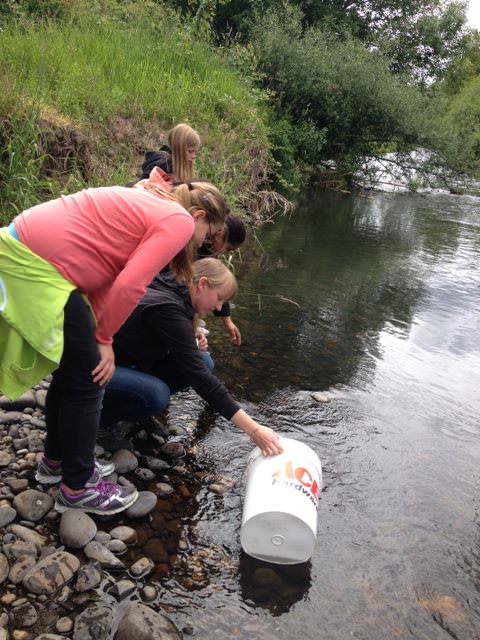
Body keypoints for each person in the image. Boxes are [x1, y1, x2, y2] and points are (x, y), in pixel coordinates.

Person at [0, 175, 229, 515]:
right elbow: (129, 285)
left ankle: (56, 462)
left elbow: (106, 272)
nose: (201, 244)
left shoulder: (155, 200)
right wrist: (104, 339)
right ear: (197, 216)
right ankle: (77, 488)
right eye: (207, 235)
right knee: (92, 377)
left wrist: (97, 328)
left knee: (74, 372)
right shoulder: (178, 220)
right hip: (36, 264)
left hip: (29, 252)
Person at [100, 258, 282, 457]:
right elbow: (200, 378)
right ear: (202, 284)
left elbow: (159, 338)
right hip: (96, 369)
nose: (220, 308)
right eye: (219, 298)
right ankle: (98, 423)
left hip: (127, 360)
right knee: (157, 394)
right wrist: (253, 430)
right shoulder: (167, 307)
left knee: (204, 360)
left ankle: (133, 411)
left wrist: (187, 338)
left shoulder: (174, 286)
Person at [198, 214, 247, 346]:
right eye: (229, 249)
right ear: (220, 234)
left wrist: (227, 321)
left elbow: (218, 284)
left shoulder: (208, 249)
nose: (227, 253)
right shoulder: (196, 245)